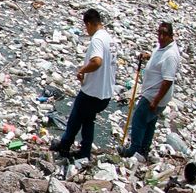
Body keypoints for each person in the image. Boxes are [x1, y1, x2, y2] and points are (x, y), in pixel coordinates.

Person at [52, 8, 117, 160]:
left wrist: (82, 70)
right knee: (88, 120)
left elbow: (97, 62)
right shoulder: (111, 40)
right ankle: (85, 152)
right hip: (105, 93)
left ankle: (64, 146)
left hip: (92, 92)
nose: (86, 31)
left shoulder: (97, 39)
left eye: (85, 27)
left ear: (89, 24)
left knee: (75, 119)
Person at [118, 21, 180, 159]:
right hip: (153, 94)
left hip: (154, 96)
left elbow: (167, 81)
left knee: (138, 120)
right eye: (159, 33)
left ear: (171, 36)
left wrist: (155, 101)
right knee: (150, 123)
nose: (161, 37)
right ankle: (144, 150)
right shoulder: (163, 47)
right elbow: (158, 59)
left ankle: (133, 150)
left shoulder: (170, 55)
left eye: (165, 34)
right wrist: (147, 56)